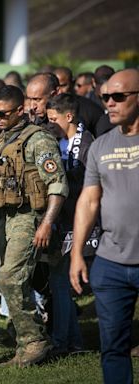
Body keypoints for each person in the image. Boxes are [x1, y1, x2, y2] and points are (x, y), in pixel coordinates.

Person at [0, 85, 68, 367]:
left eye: (3, 113)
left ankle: (35, 340)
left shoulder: (38, 140)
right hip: (6, 217)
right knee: (8, 279)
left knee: (11, 277)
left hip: (28, 217)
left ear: (20, 110)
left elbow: (57, 185)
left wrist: (46, 224)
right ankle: (25, 344)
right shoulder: (4, 139)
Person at [70, 69, 139, 384]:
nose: (109, 103)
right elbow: (88, 201)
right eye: (105, 97)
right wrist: (76, 255)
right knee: (112, 348)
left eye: (118, 97)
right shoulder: (101, 146)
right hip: (111, 263)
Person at [46, 93, 91, 356]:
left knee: (61, 283)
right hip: (62, 222)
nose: (49, 123)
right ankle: (72, 343)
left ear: (69, 117)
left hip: (77, 222)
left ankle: (63, 343)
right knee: (59, 283)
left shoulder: (86, 145)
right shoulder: (59, 140)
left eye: (53, 119)